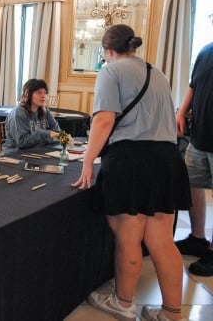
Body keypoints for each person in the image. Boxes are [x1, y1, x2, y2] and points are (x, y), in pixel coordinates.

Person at [71, 24, 190, 321]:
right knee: (162, 240)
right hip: (166, 159)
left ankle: (123, 303)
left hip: (131, 161)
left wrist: (87, 161)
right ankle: (172, 313)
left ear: (107, 50)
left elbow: (103, 121)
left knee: (128, 236)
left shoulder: (111, 71)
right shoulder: (157, 72)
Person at [174, 18, 213, 276]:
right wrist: (182, 111)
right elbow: (193, 85)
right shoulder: (205, 50)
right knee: (191, 184)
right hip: (200, 136)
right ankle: (197, 237)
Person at [1, 79, 60, 155]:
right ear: (28, 94)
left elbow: (58, 134)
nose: (43, 96)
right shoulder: (18, 112)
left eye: (45, 93)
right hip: (15, 155)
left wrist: (49, 136)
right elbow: (22, 142)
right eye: (38, 92)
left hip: (38, 152)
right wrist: (46, 135)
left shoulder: (45, 111)